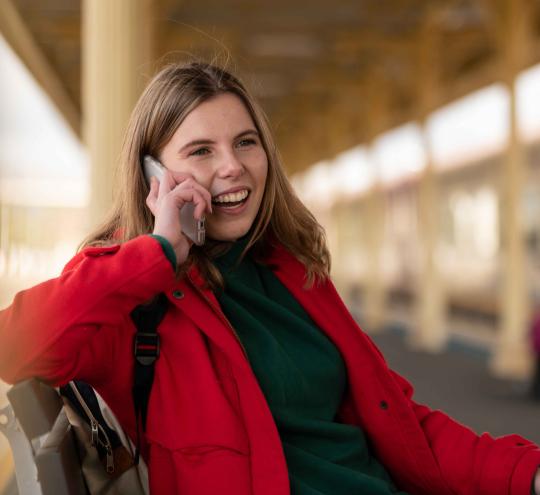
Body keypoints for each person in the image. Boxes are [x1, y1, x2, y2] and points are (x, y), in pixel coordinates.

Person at [1, 61, 539, 495]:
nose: (233, 166)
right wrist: (158, 251)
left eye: (245, 142)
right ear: (154, 177)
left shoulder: (291, 271)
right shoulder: (137, 296)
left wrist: (525, 472)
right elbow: (13, 345)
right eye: (201, 151)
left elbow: (402, 425)